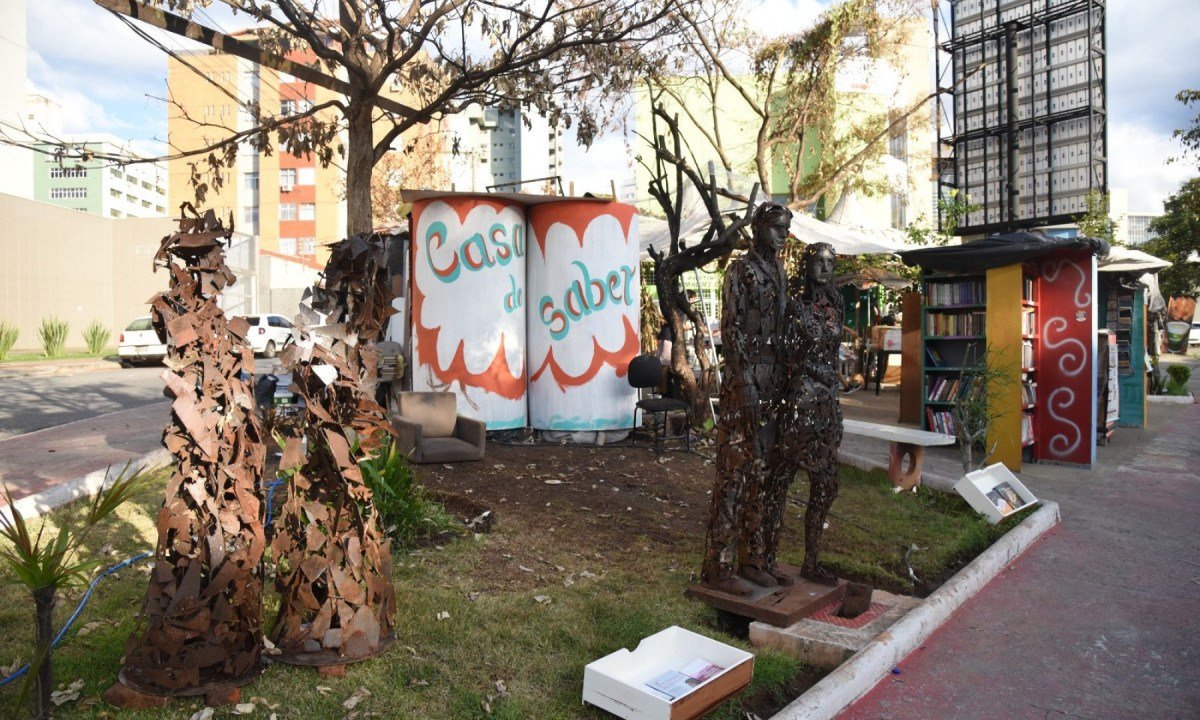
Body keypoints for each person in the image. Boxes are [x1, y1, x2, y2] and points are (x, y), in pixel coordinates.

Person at [701, 202, 794, 594]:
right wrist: (748, 387)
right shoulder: (741, 271)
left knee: (762, 476)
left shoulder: (779, 272)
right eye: (775, 227)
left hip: (773, 388)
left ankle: (753, 559)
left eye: (786, 228)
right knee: (733, 478)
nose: (781, 234)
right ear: (759, 228)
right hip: (745, 390)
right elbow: (733, 333)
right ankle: (718, 568)